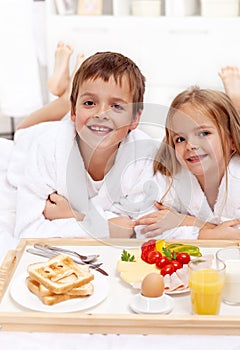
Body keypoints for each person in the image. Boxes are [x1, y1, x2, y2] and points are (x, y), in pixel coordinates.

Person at [8, 50, 160, 240]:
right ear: (74, 111)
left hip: (81, 126)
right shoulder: (47, 147)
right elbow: (28, 231)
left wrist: (76, 215)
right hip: (29, 139)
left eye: (117, 106)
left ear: (135, 118)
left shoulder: (143, 156)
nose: (101, 113)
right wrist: (107, 227)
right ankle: (65, 99)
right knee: (22, 132)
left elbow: (138, 228)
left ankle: (69, 95)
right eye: (90, 102)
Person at [134, 86, 240, 246]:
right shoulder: (173, 174)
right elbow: (144, 226)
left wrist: (187, 223)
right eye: (180, 139)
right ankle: (239, 109)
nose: (190, 145)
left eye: (203, 133)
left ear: (232, 140)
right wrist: (212, 233)